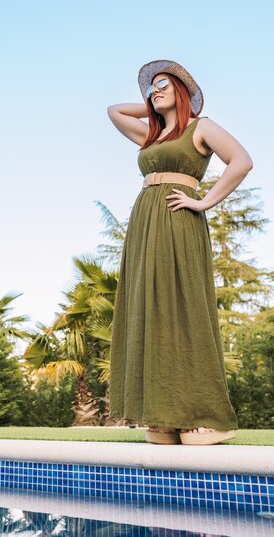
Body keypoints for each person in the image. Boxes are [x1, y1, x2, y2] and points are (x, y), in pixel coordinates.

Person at [107, 59, 253, 445]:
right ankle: (165, 417)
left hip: (178, 218)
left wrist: (205, 202)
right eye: (150, 87)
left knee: (183, 309)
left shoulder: (201, 127)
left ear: (182, 92)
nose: (154, 91)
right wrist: (154, 102)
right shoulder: (151, 136)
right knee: (150, 311)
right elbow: (114, 112)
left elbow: (242, 162)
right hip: (145, 223)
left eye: (162, 85)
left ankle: (204, 417)